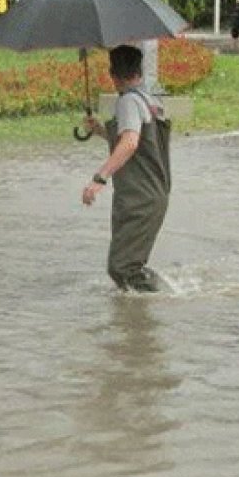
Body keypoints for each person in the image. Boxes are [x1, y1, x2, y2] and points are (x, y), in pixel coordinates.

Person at [81, 45, 172, 293]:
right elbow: (139, 142)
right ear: (138, 70)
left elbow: (130, 143)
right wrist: (101, 130)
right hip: (153, 194)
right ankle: (155, 302)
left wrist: (99, 178)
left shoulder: (129, 102)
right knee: (128, 267)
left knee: (122, 267)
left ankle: (169, 297)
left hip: (139, 197)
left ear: (113, 74)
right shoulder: (149, 98)